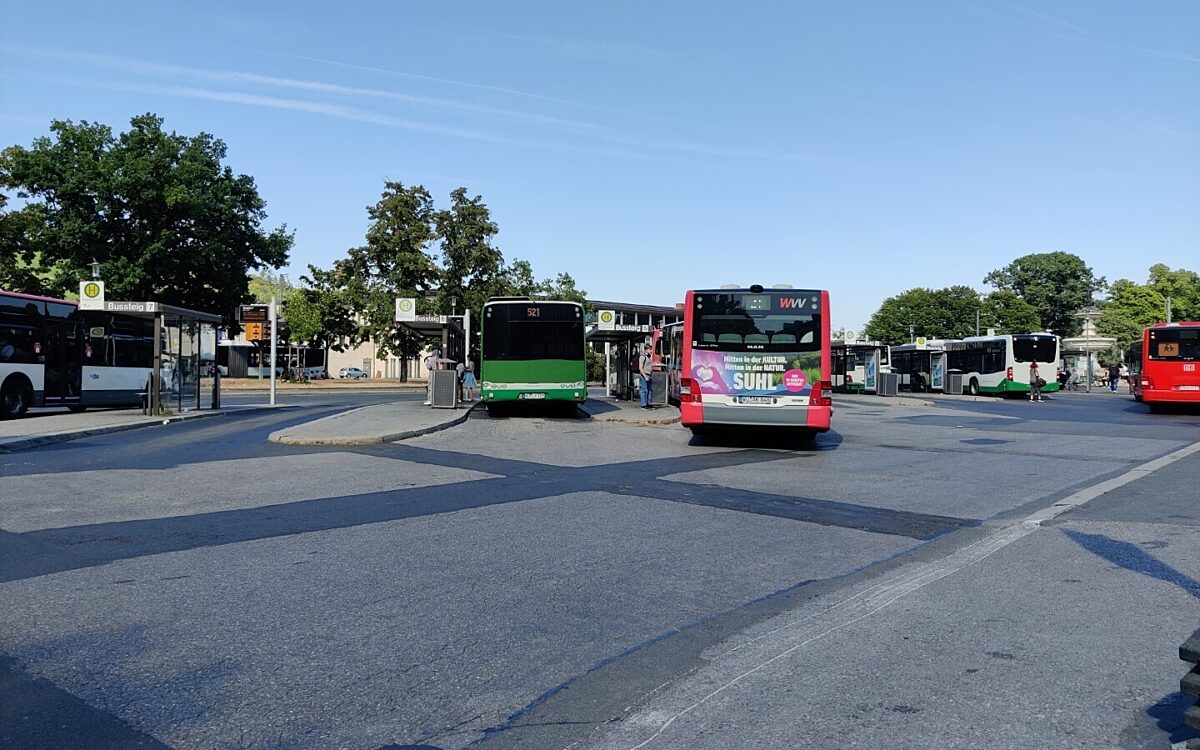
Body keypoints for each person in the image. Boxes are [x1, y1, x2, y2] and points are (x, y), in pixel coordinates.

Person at [638, 343, 653, 409]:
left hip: (649, 375)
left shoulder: (648, 357)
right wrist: (645, 376)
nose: (651, 351)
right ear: (646, 350)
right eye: (650, 349)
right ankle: (643, 404)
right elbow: (640, 368)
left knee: (649, 389)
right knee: (644, 389)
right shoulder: (642, 357)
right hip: (644, 375)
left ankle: (648, 402)